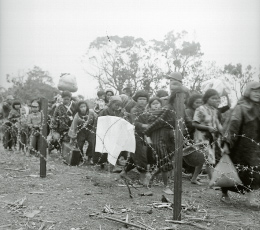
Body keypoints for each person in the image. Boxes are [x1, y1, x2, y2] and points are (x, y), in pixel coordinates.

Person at [221, 82, 260, 207]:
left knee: (253, 171)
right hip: (237, 145)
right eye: (254, 91)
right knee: (230, 169)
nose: (257, 94)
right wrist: (227, 143)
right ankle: (224, 193)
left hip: (253, 146)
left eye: (259, 91)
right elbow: (233, 125)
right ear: (248, 91)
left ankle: (250, 198)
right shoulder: (240, 107)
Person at [145, 89, 187, 194]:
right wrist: (147, 133)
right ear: (175, 98)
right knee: (165, 161)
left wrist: (183, 135)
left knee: (168, 160)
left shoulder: (180, 109)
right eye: (182, 97)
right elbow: (157, 122)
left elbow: (185, 123)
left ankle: (152, 175)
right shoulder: (168, 109)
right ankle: (166, 186)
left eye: (185, 98)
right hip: (159, 136)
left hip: (171, 137)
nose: (183, 100)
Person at [191, 89, 223, 185]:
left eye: (217, 99)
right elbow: (194, 123)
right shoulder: (200, 109)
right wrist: (207, 128)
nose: (216, 100)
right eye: (213, 98)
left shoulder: (214, 110)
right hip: (201, 137)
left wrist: (223, 133)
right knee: (209, 159)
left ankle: (193, 179)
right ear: (207, 98)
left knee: (202, 159)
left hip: (211, 138)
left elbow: (218, 124)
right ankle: (212, 181)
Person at [120, 90, 150, 184]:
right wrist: (145, 125)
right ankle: (142, 178)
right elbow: (135, 123)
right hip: (134, 134)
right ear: (136, 100)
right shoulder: (134, 110)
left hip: (143, 134)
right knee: (141, 156)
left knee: (135, 156)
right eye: (140, 99)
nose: (142, 101)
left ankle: (124, 172)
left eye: (144, 99)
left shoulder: (146, 110)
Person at [183, 94, 203, 175]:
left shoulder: (200, 111)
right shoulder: (188, 111)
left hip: (197, 135)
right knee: (190, 154)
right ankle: (189, 172)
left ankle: (193, 174)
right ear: (191, 103)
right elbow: (190, 123)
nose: (199, 105)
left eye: (200, 103)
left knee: (196, 154)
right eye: (196, 103)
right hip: (189, 134)